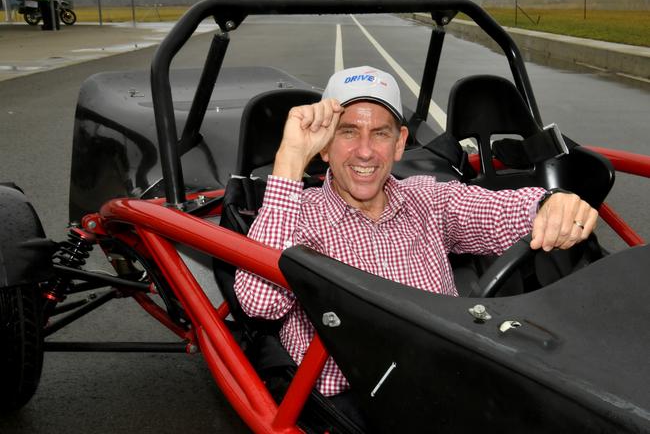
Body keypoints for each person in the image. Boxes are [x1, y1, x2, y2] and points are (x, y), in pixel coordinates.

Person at [234, 66, 598, 398]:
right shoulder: (294, 214)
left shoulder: (427, 198)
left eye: (380, 133)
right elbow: (258, 305)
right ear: (325, 146)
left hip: (451, 375)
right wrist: (290, 162)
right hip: (355, 401)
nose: (364, 151)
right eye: (348, 132)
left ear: (399, 143)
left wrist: (550, 204)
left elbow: (499, 212)